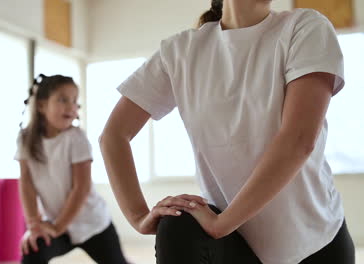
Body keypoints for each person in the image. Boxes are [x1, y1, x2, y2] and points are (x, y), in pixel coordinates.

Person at [99, 0, 355, 263]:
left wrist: (221, 224)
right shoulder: (180, 51)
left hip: (315, 244)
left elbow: (299, 140)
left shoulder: (305, 28)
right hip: (237, 245)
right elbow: (113, 136)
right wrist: (139, 217)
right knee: (177, 221)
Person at [16, 74, 128, 264]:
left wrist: (57, 227)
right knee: (33, 250)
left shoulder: (76, 138)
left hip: (93, 224)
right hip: (57, 226)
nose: (71, 106)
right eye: (62, 99)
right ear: (42, 106)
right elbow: (26, 183)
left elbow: (81, 188)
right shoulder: (26, 139)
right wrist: (34, 224)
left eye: (74, 101)